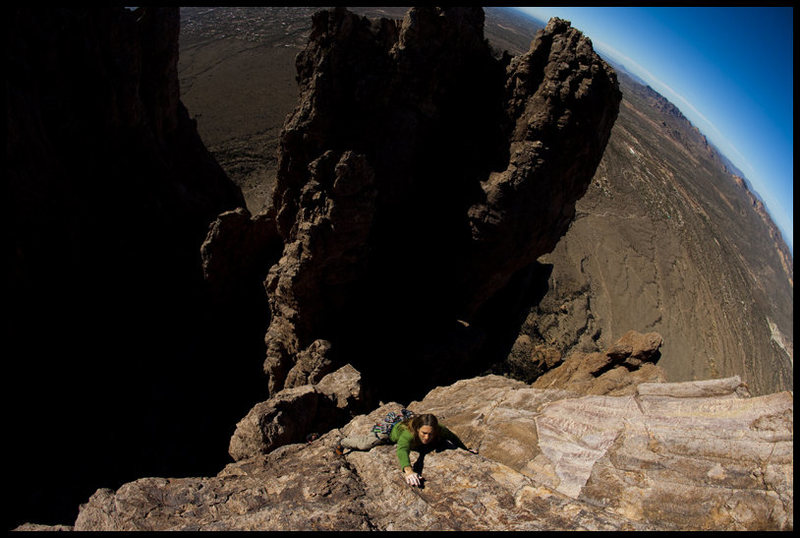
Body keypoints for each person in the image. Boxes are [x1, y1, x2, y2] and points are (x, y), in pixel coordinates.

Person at [336, 412, 478, 487]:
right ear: (417, 429)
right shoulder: (408, 434)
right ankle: (342, 442)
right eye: (424, 433)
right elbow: (402, 450)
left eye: (431, 434)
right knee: (366, 444)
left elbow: (453, 437)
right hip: (389, 433)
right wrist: (409, 471)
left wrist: (466, 450)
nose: (427, 437)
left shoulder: (439, 429)